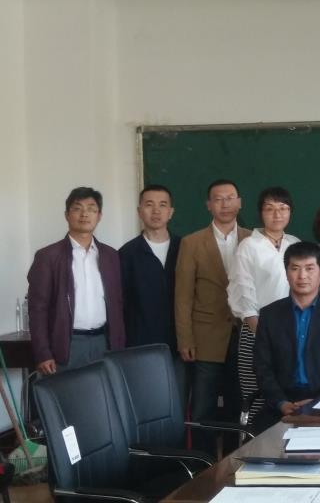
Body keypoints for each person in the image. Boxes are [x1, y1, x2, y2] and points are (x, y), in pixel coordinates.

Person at [174, 179, 251, 452]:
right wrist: (185, 338)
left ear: (240, 202)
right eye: (218, 199)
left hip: (243, 336)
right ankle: (202, 465)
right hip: (205, 337)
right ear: (209, 205)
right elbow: (183, 295)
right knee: (203, 407)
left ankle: (233, 460)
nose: (225, 204)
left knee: (237, 404)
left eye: (230, 198)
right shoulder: (192, 242)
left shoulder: (253, 239)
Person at [252, 241, 320, 431]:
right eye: (295, 269)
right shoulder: (270, 315)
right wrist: (281, 403)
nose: (302, 276)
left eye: (309, 268)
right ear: (287, 273)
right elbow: (262, 367)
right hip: (282, 406)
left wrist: (318, 401)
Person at [27, 187, 125, 374]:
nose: (84, 214)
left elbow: (118, 303)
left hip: (104, 343)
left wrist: (119, 345)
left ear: (99, 216)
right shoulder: (48, 256)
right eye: (77, 208)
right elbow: (37, 308)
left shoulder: (111, 255)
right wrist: (43, 352)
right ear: (67, 215)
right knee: (65, 393)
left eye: (91, 209)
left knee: (103, 393)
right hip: (67, 345)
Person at [227, 186, 300, 428]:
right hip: (256, 332)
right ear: (261, 213)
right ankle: (255, 446)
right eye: (270, 209)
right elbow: (244, 295)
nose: (277, 214)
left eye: (283, 208)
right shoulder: (248, 246)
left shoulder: (294, 244)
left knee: (290, 399)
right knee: (257, 397)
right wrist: (266, 339)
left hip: (292, 335)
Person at [119, 185, 183, 387]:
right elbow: (121, 303)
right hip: (141, 347)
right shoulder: (126, 254)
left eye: (162, 205)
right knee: (145, 398)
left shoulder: (185, 248)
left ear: (171, 212)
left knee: (180, 400)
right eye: (149, 205)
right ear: (139, 211)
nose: (156, 211)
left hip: (181, 346)